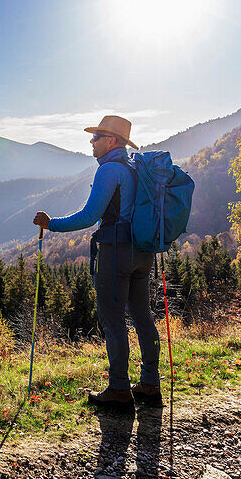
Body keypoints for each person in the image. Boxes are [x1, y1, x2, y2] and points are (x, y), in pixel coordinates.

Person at [33, 115, 161, 409]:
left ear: (112, 141)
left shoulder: (109, 171)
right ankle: (150, 385)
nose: (91, 142)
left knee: (113, 321)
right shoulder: (135, 169)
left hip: (115, 251)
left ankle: (118, 388)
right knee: (143, 318)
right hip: (142, 251)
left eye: (97, 137)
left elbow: (89, 216)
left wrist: (52, 224)